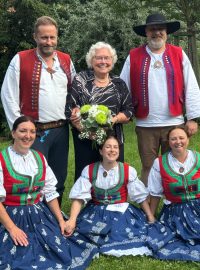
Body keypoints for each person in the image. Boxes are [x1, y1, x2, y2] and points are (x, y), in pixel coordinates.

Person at [0, 116, 97, 270]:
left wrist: (59, 220)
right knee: (17, 251)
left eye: (32, 132)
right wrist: (12, 229)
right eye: (23, 131)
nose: (28, 135)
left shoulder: (39, 158)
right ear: (13, 133)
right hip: (10, 215)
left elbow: (50, 193)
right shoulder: (1, 159)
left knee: (58, 244)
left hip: (39, 213)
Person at [1, 16, 76, 204]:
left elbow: (75, 91)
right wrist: (21, 130)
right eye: (44, 37)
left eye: (52, 37)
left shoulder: (66, 60)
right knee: (33, 177)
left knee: (58, 177)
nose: (48, 42)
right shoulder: (20, 59)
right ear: (35, 37)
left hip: (60, 129)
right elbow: (8, 95)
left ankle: (55, 218)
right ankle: (34, 216)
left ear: (57, 37)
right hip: (35, 131)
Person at [120, 13, 200, 185]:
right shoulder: (133, 56)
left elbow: (191, 85)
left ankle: (172, 202)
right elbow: (122, 87)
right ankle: (148, 206)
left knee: (174, 164)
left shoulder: (179, 54)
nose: (157, 33)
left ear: (166, 32)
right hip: (146, 124)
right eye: (152, 29)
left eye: (160, 29)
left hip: (174, 122)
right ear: (146, 33)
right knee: (148, 166)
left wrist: (192, 118)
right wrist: (123, 113)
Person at [65, 135, 155, 257]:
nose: (112, 150)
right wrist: (72, 219)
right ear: (101, 151)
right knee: (82, 234)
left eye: (115, 147)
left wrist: (150, 216)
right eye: (108, 147)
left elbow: (140, 197)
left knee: (129, 232)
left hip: (122, 212)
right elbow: (79, 198)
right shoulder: (90, 170)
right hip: (97, 211)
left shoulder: (128, 170)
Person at [66, 41, 133, 180]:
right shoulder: (81, 80)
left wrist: (112, 120)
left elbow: (129, 111)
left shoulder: (118, 83)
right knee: (86, 176)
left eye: (107, 58)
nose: (103, 61)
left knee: (114, 176)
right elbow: (70, 108)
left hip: (113, 140)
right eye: (99, 58)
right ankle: (85, 201)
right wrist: (85, 131)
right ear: (91, 60)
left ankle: (114, 200)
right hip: (85, 141)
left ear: (112, 61)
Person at [147, 127, 200, 261]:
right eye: (173, 139)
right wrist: (151, 217)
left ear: (188, 139)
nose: (178, 142)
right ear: (168, 142)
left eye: (181, 138)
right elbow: (155, 193)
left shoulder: (198, 158)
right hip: (175, 210)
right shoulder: (159, 163)